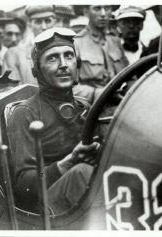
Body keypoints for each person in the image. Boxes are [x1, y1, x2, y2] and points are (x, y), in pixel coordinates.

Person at [7, 28, 100, 214]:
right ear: (38, 70)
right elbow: (23, 184)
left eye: (69, 56)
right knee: (82, 171)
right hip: (47, 210)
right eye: (52, 58)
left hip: (84, 197)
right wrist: (68, 163)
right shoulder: (25, 113)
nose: (64, 65)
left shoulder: (84, 106)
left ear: (77, 63)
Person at [73, 5, 129, 102]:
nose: (103, 14)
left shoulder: (115, 41)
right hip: (92, 109)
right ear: (86, 12)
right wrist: (101, 94)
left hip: (121, 106)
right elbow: (70, 87)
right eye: (97, 8)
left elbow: (130, 76)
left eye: (107, 9)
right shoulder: (76, 43)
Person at [3, 5, 57, 85]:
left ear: (54, 22)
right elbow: (13, 92)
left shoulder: (67, 49)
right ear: (29, 25)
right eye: (38, 22)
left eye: (48, 21)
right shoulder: (15, 54)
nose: (44, 27)